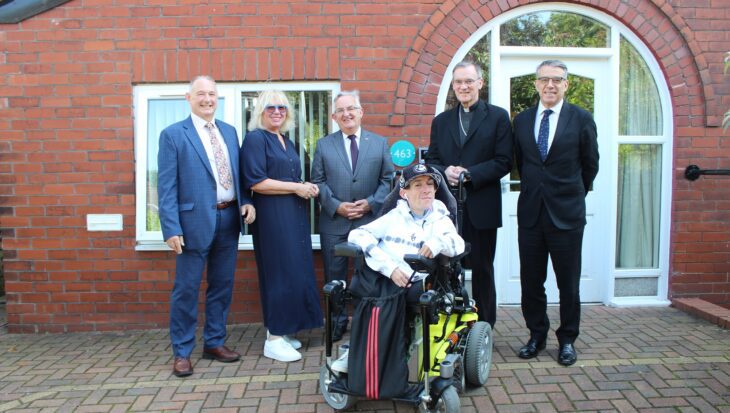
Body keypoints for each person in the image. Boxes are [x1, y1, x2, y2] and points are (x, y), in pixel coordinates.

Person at [157, 75, 256, 377]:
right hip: (191, 224)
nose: (207, 99)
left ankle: (214, 342)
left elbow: (239, 175)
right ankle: (182, 351)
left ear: (217, 98)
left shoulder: (229, 131)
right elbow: (166, 186)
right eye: (201, 94)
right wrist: (171, 228)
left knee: (221, 285)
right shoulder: (173, 134)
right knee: (186, 290)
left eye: (212, 94)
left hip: (228, 219)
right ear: (188, 98)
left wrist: (247, 200)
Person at [335, 164, 465, 373]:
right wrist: (390, 267)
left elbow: (457, 245)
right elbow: (357, 235)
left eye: (430, 184)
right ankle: (358, 353)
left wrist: (438, 243)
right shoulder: (394, 216)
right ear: (404, 193)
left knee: (390, 300)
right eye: (418, 185)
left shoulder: (440, 219)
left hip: (415, 280)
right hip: (386, 275)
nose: (426, 190)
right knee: (366, 292)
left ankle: (386, 360)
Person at [512, 60, 599, 366]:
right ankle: (536, 335)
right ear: (536, 83)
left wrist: (572, 193)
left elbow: (590, 165)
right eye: (544, 79)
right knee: (531, 282)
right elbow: (522, 164)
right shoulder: (522, 121)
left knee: (568, 283)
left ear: (566, 84)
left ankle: (567, 340)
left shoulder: (581, 119)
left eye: (556, 80)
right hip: (532, 215)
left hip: (567, 215)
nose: (550, 85)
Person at [425, 60, 512, 328]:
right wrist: (445, 170)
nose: (463, 86)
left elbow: (504, 160)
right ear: (453, 86)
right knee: (445, 267)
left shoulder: (498, 116)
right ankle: (450, 323)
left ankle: (485, 326)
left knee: (483, 269)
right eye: (458, 82)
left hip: (482, 206)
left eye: (468, 81)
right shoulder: (441, 121)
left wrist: (470, 173)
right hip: (447, 209)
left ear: (480, 83)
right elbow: (433, 160)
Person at [240, 90, 324, 363]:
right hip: (272, 216)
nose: (277, 112)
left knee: (293, 271)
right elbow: (257, 182)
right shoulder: (255, 139)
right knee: (277, 273)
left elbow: (291, 178)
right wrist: (297, 187)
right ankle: (273, 339)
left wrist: (305, 187)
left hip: (292, 213)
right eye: (270, 108)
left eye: (282, 108)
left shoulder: (285, 140)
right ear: (260, 112)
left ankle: (285, 330)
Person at [311, 90, 394, 342]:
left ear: (361, 112)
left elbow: (388, 180)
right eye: (341, 111)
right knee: (333, 276)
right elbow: (318, 181)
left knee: (368, 274)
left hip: (369, 223)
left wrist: (370, 204)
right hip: (334, 222)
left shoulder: (379, 143)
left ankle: (365, 322)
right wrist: (337, 206)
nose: (346, 114)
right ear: (334, 117)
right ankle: (336, 322)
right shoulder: (324, 145)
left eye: (351, 109)